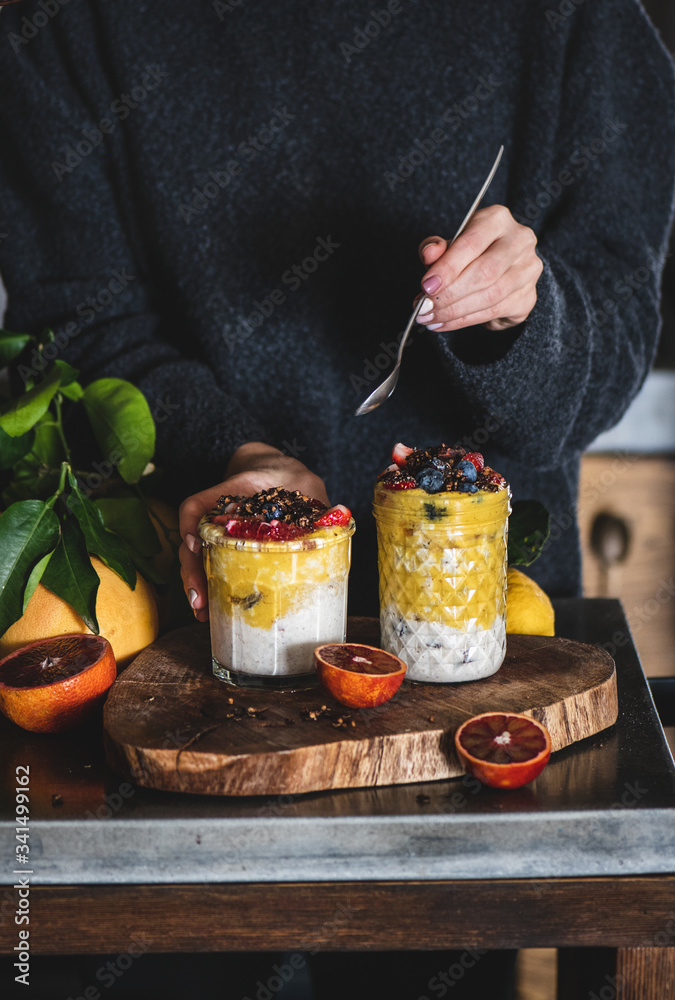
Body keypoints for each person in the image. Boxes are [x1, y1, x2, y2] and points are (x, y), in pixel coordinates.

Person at [1, 2, 674, 997]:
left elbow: (614, 331)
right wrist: (224, 448)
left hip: (466, 673)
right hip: (170, 657)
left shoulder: (579, 22)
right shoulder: (70, 27)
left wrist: (523, 315)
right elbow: (73, 326)